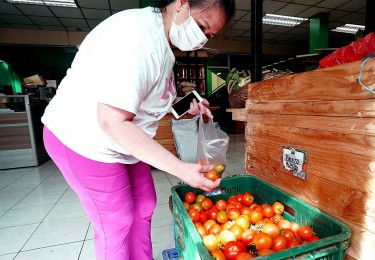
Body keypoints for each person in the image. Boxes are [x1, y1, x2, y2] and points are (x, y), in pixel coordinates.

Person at [41, 0, 235, 259]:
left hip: (125, 139)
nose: (201, 39)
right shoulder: (136, 39)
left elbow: (147, 104)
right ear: (182, 3)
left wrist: (187, 107)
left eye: (208, 35)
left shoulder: (163, 43)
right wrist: (180, 169)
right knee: (116, 220)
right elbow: (111, 120)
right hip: (85, 139)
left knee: (144, 205)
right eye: (201, 26)